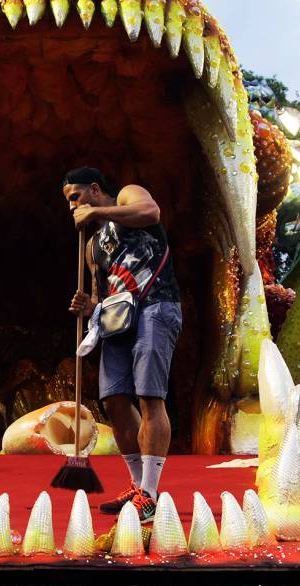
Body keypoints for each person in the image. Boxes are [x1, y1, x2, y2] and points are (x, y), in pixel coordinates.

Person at [62, 167, 182, 523]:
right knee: (114, 401)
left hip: (156, 306)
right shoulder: (91, 247)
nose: (72, 207)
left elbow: (152, 213)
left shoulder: (129, 195)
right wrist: (89, 307)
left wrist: (97, 212)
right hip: (118, 318)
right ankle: (136, 485)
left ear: (95, 189)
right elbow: (102, 296)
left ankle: (150, 493)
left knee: (148, 398)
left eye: (76, 197)